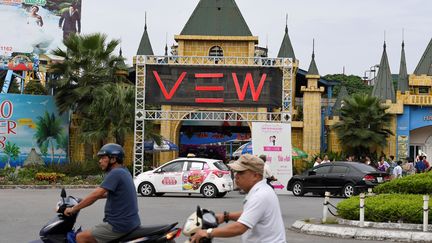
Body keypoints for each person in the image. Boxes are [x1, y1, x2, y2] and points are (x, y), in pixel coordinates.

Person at [190, 154, 286, 243]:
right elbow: (251, 213)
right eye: (236, 172)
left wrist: (208, 232)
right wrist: (226, 216)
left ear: (255, 176)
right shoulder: (262, 189)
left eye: (241, 172)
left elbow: (239, 228)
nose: (236, 176)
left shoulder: (260, 195)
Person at [64, 143, 140, 243]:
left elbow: (97, 194)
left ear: (113, 159)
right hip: (130, 222)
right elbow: (111, 193)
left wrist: (74, 209)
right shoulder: (124, 171)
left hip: (119, 225)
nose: (100, 161)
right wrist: (83, 200)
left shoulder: (115, 173)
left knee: (81, 237)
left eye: (103, 158)